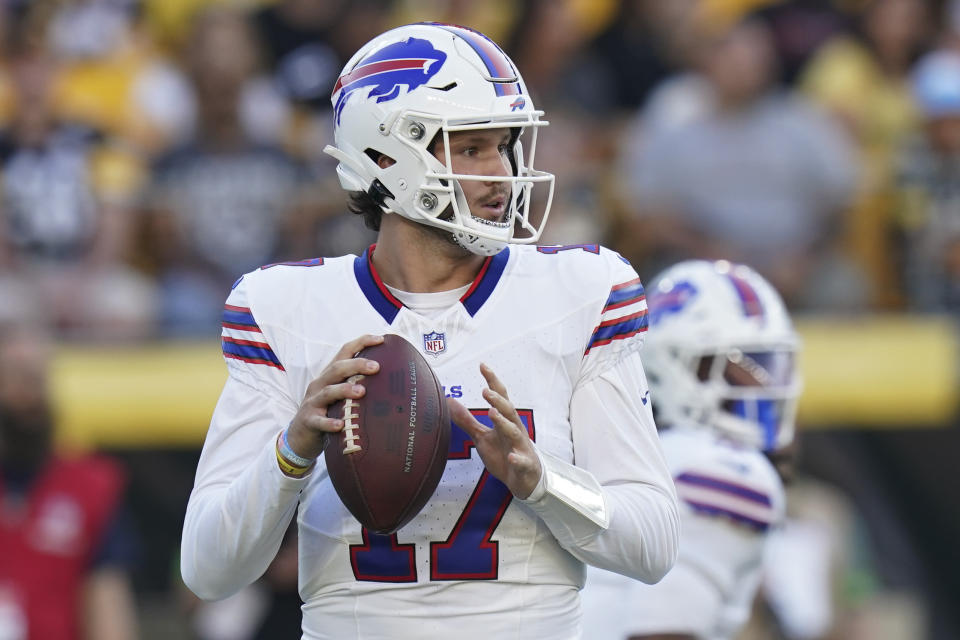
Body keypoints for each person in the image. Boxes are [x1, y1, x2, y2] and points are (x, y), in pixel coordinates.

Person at [180, 21, 680, 639]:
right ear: (385, 157)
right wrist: (291, 453)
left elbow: (653, 544)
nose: (501, 172)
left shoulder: (580, 292)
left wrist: (542, 480)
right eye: (471, 148)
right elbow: (208, 570)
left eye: (506, 145)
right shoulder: (285, 307)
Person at [580, 259, 803, 639]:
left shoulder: (628, 451)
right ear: (671, 366)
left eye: (769, 364)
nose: (762, 384)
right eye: (737, 365)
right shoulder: (721, 470)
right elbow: (662, 632)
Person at [0, 322, 139, 640]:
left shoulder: (91, 485)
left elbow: (108, 599)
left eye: (35, 378)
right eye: (14, 377)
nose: (26, 392)